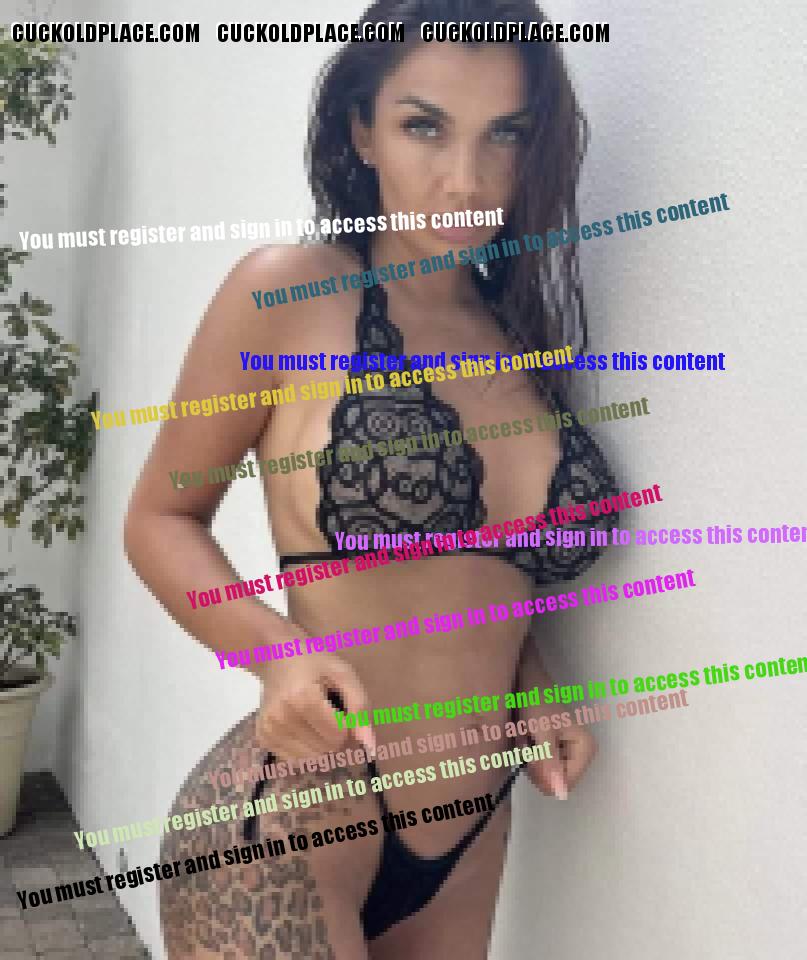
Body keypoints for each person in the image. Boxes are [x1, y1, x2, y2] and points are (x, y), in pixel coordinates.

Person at [124, 0, 618, 955]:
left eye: (505, 134)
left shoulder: (522, 334)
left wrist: (533, 680)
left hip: (473, 822)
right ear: (362, 131)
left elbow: (479, 572)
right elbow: (160, 518)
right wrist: (274, 652)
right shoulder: (286, 292)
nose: (464, 179)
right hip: (292, 820)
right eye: (423, 126)